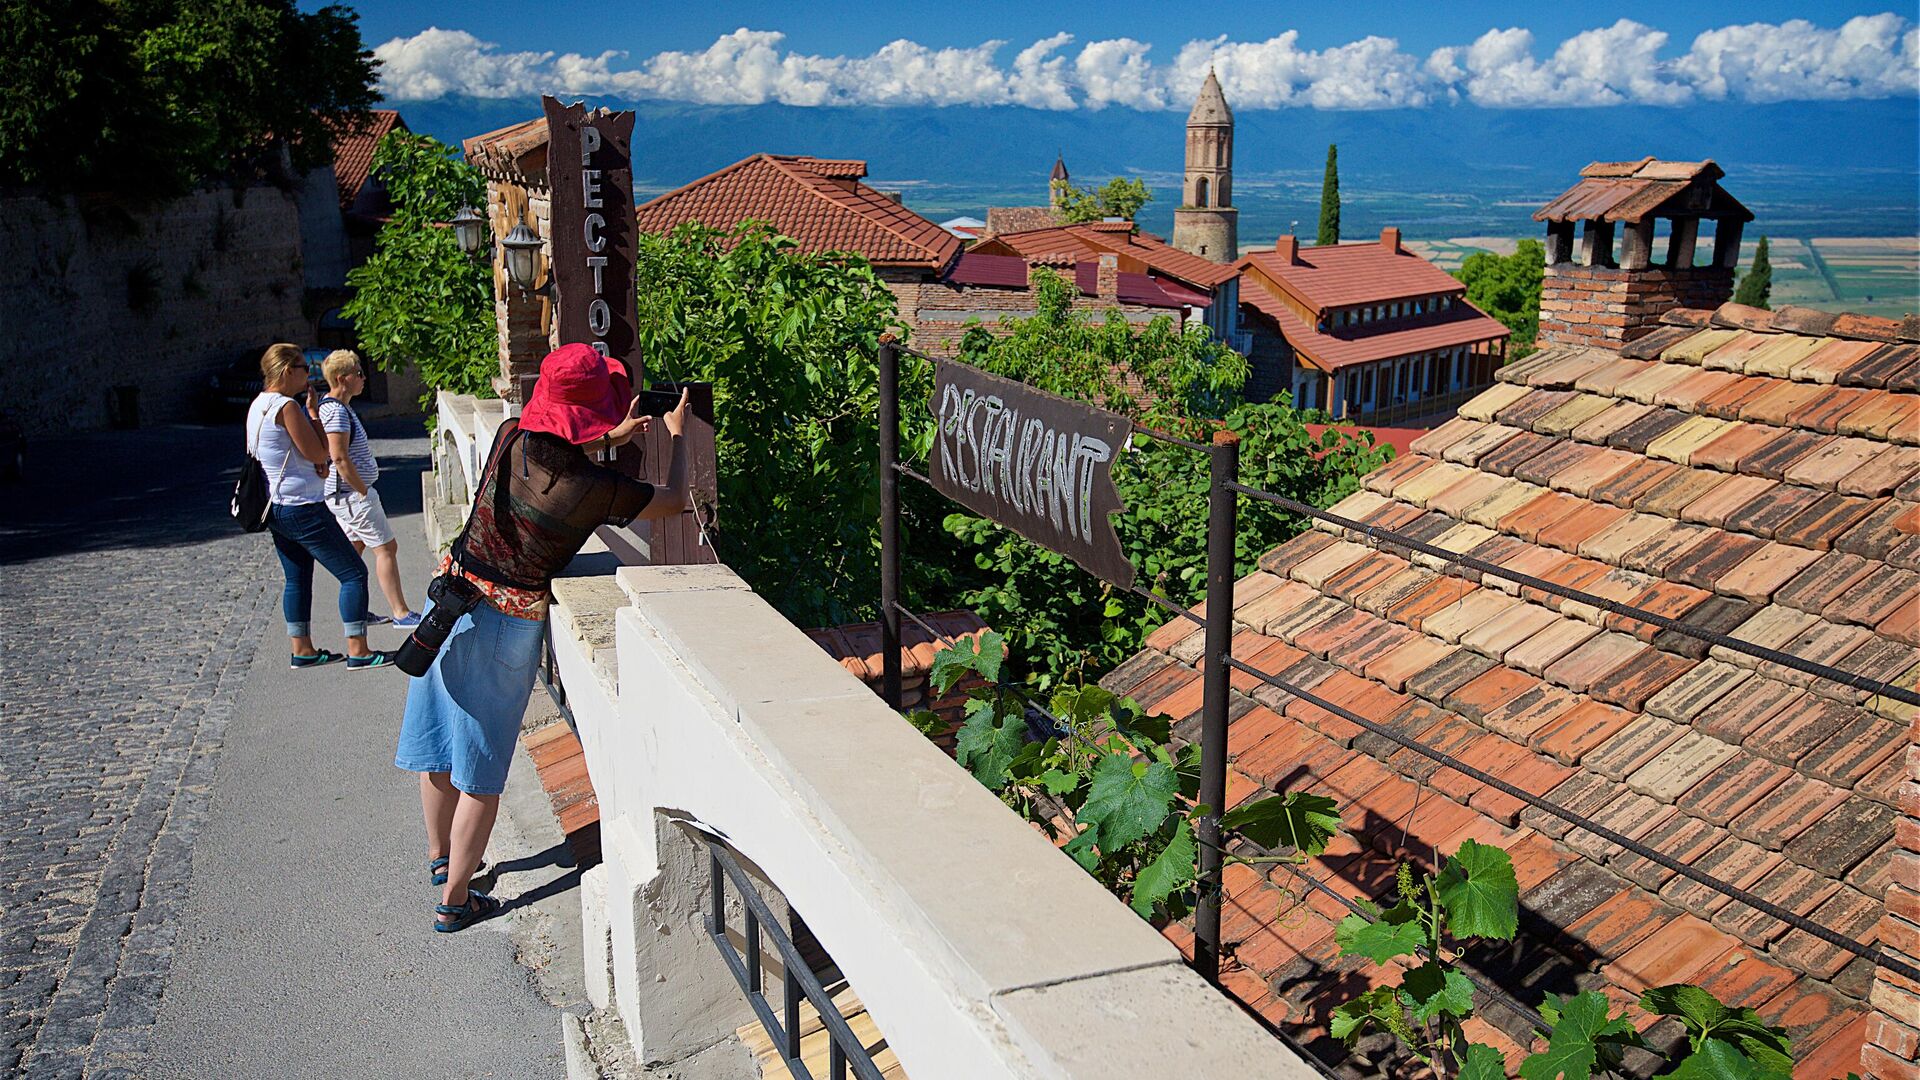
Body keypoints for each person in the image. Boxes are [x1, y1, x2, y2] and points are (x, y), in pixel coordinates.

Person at [396, 343, 689, 932]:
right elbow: (675, 501)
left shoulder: (508, 436)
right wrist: (676, 436)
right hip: (508, 626)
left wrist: (606, 433)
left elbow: (553, 457)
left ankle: (439, 860)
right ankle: (455, 901)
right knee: (481, 768)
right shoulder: (594, 489)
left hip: (451, 604)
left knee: (440, 748)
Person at [246, 343, 396, 671]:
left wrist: (317, 455)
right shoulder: (286, 407)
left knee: (297, 577)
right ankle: (359, 650)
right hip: (304, 507)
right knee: (353, 573)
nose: (308, 374)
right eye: (303, 368)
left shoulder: (258, 405)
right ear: (287, 372)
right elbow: (319, 453)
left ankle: (302, 649)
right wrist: (313, 416)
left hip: (277, 506)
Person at [318, 350, 419, 628]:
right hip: (352, 496)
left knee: (353, 556)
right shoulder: (336, 412)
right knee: (387, 548)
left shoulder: (335, 407)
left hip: (345, 496)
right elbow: (339, 458)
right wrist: (362, 490)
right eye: (358, 373)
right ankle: (401, 613)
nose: (364, 378)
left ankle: (357, 612)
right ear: (342, 379)